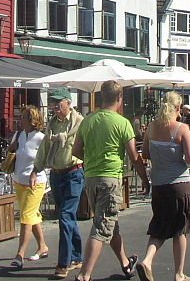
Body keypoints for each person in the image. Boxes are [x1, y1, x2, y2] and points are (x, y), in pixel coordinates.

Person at [71, 80, 149, 281]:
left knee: (110, 223)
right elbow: (134, 157)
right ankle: (84, 275)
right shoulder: (122, 123)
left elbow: (76, 150)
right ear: (119, 98)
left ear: (101, 96)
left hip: (91, 178)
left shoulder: (88, 120)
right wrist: (145, 179)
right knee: (102, 226)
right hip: (110, 178)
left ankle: (125, 262)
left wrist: (91, 159)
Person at [136, 91, 190, 281]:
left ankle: (147, 260)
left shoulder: (152, 127)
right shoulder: (182, 128)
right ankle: (179, 273)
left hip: (159, 185)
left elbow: (145, 153)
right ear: (178, 109)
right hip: (179, 183)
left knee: (160, 225)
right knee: (181, 228)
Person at [31, 88, 85, 280]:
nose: (54, 106)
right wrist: (36, 169)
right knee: (68, 217)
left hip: (74, 173)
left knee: (65, 216)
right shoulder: (52, 123)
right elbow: (45, 146)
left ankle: (64, 262)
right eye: (53, 102)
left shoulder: (79, 122)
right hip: (56, 174)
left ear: (68, 103)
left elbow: (87, 145)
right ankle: (78, 256)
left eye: (58, 102)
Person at [10, 105, 50, 269]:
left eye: (24, 117)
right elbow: (12, 151)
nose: (21, 120)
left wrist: (35, 171)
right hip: (19, 180)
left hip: (36, 182)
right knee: (31, 215)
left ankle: (20, 254)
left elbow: (46, 159)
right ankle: (43, 246)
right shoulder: (19, 135)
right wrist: (11, 149)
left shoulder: (41, 137)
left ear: (33, 121)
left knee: (26, 216)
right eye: (21, 117)